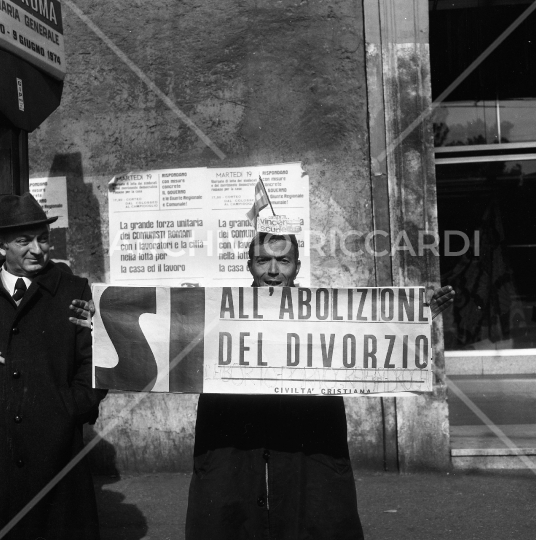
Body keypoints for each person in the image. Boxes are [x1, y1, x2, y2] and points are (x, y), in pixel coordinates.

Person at [70, 232, 454, 540]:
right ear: (249, 264)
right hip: (234, 425)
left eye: (283, 260)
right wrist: (104, 325)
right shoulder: (213, 308)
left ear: (297, 266)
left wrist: (416, 318)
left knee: (314, 508)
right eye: (263, 260)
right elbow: (156, 333)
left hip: (307, 426)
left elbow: (381, 329)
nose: (273, 270)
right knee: (228, 507)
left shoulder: (332, 312)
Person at [0, 193, 107, 540]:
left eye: (43, 238)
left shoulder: (73, 290)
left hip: (57, 449)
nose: (37, 249)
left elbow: (96, 360)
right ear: (1, 247)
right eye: (23, 240)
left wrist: (67, 409)